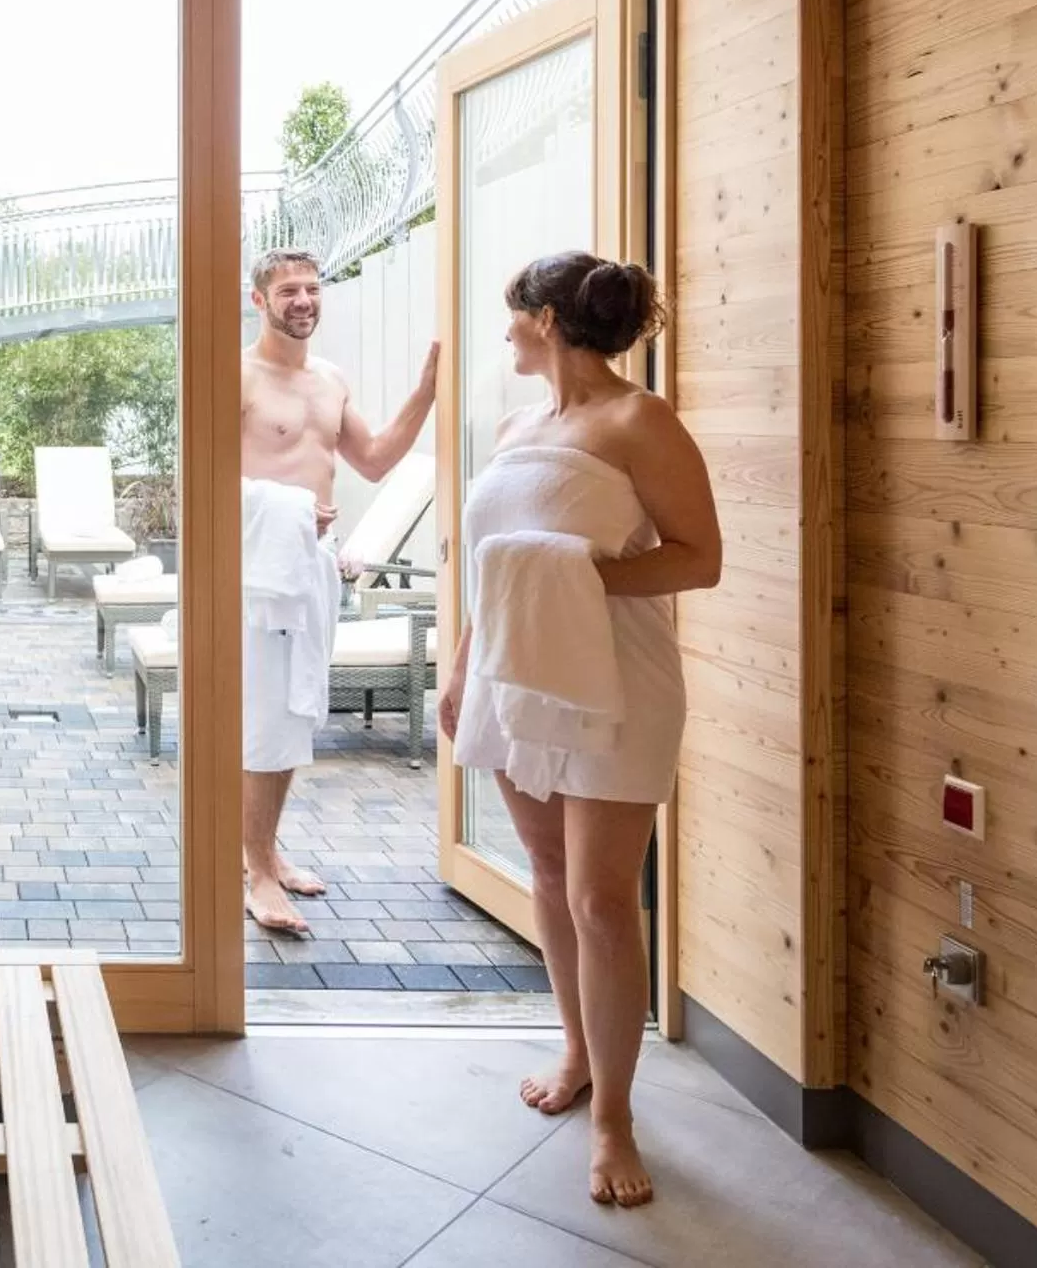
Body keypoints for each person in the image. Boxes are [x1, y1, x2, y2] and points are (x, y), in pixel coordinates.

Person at [437, 250, 719, 1210]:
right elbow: (499, 564)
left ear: (547, 321)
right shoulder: (518, 427)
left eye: (514, 314)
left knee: (603, 899)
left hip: (615, 680)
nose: (506, 329)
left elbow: (701, 558)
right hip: (516, 678)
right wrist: (466, 662)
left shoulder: (641, 420)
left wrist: (578, 584)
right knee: (549, 877)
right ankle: (577, 1051)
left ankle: (616, 1119)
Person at [238, 247, 439, 937]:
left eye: (312, 288)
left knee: (294, 713)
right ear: (260, 299)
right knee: (266, 715)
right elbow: (202, 479)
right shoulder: (238, 374)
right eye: (288, 289)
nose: (304, 300)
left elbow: (377, 459)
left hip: (309, 564)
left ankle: (264, 849)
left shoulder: (331, 381)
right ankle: (258, 871)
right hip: (263, 569)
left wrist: (427, 392)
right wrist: (290, 509)